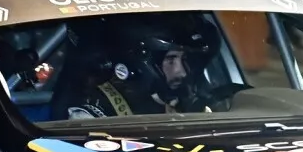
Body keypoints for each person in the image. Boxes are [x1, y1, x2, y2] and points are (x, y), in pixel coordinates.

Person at [50, 15, 224, 118]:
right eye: (170, 60)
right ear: (142, 62)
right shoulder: (97, 111)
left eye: (185, 60)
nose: (181, 71)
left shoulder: (199, 104)